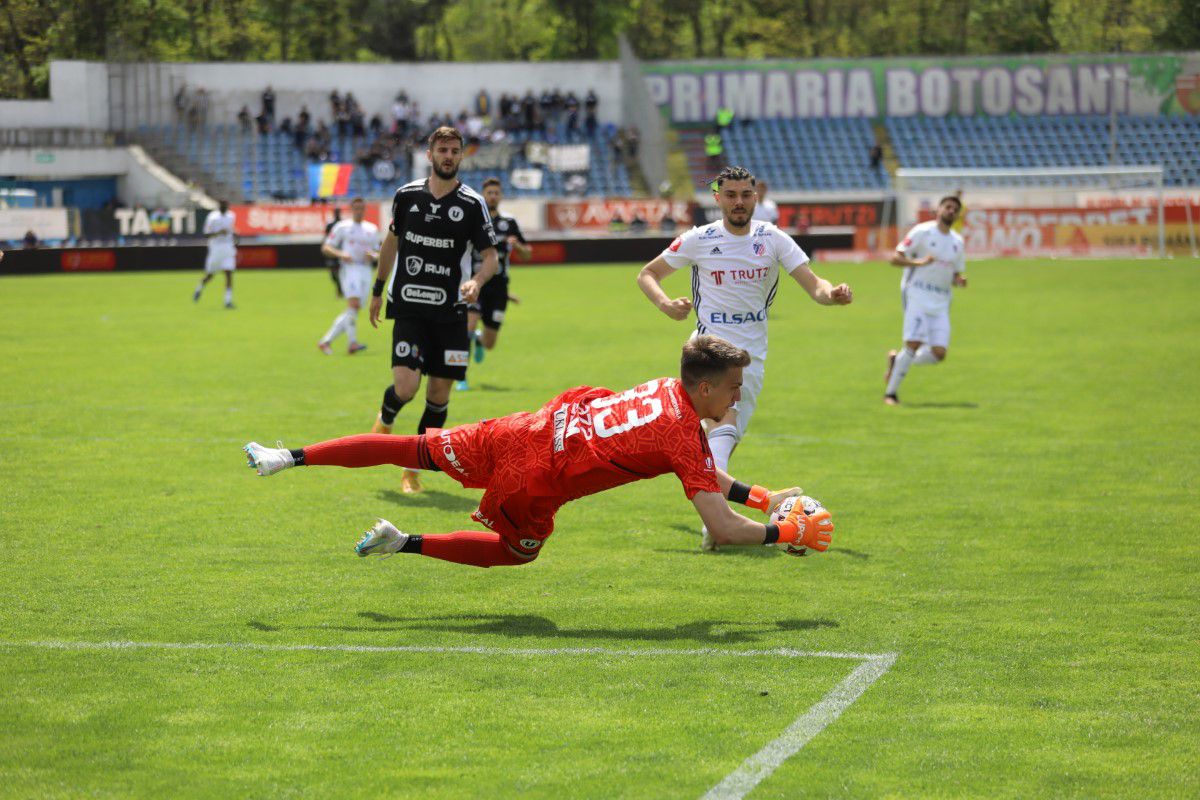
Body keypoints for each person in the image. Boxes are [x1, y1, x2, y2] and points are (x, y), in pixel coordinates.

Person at [243, 335, 834, 566]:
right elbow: (723, 530)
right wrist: (786, 533)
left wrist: (763, 496)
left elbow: (707, 475)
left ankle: (286, 456)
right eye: (732, 390)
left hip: (524, 429)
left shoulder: (666, 388)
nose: (736, 402)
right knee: (518, 551)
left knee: (410, 446)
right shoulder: (683, 434)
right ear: (703, 387)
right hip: (538, 474)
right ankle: (405, 541)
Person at [636, 165, 853, 550]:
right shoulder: (700, 238)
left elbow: (813, 283)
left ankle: (736, 505)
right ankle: (718, 521)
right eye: (731, 195)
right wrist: (666, 304)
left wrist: (831, 293)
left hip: (751, 355)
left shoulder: (773, 239)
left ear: (756, 198)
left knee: (712, 440)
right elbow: (647, 274)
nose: (739, 202)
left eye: (745, 195)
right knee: (722, 424)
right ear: (717, 198)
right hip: (707, 347)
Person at [367, 126, 499, 494]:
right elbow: (390, 243)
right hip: (408, 305)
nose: (448, 156)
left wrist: (477, 281)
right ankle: (387, 415)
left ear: (460, 156)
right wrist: (378, 290)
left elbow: (491, 258)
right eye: (442, 149)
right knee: (406, 387)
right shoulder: (406, 196)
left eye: (454, 150)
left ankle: (412, 469)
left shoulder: (472, 203)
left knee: (439, 395)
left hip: (452, 313)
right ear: (429, 154)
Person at [884, 194, 967, 406]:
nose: (951, 211)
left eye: (955, 209)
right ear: (938, 210)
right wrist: (920, 263)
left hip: (941, 300)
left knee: (939, 353)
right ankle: (891, 394)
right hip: (917, 293)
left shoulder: (958, 242)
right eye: (947, 207)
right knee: (913, 343)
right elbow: (895, 258)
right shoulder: (922, 231)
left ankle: (897, 361)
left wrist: (959, 280)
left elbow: (956, 273)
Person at [456, 177, 530, 391]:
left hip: (498, 287)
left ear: (501, 196)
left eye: (496, 193)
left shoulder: (510, 223)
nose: (493, 196)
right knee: (467, 326)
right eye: (489, 193)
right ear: (483, 195)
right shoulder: (473, 220)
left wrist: (519, 248)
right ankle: (461, 376)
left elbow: (527, 254)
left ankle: (479, 340)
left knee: (490, 342)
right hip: (474, 284)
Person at [318, 197, 378, 356]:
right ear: (352, 209)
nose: (359, 211)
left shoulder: (371, 229)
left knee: (354, 310)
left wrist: (373, 256)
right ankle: (352, 343)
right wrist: (341, 254)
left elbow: (378, 252)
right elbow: (326, 247)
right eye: (356, 208)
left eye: (361, 208)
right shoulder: (342, 227)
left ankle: (326, 341)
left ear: (365, 209)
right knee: (354, 305)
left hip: (365, 270)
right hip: (350, 269)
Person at [193, 200, 237, 308]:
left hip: (228, 248)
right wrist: (219, 233)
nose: (225, 207)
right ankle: (199, 288)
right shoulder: (212, 217)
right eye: (223, 206)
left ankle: (228, 301)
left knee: (229, 274)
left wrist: (235, 235)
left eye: (226, 205)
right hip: (216, 249)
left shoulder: (231, 216)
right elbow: (206, 234)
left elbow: (231, 229)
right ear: (219, 206)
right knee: (210, 276)